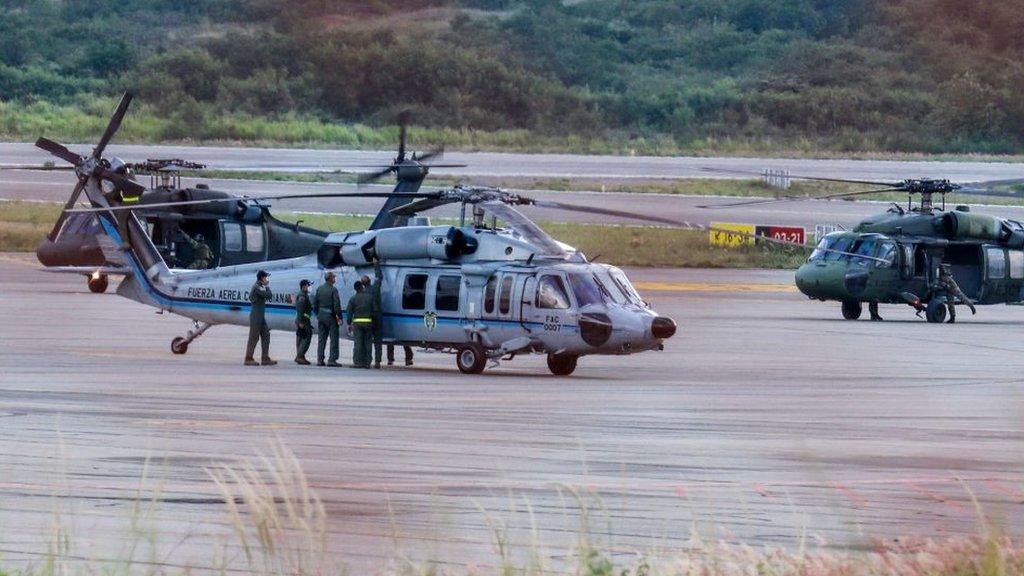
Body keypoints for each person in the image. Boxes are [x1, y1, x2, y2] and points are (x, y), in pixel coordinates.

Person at [244, 270, 276, 366]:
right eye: (266, 277)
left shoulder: (260, 287)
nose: (267, 279)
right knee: (254, 337)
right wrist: (267, 286)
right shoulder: (257, 287)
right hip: (256, 316)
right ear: (262, 278)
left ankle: (265, 358)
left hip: (260, 316)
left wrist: (265, 287)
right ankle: (248, 358)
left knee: (266, 335)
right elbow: (269, 295)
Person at [313, 271, 342, 366]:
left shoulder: (319, 289)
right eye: (333, 277)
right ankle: (332, 359)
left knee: (322, 338)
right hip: (330, 317)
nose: (335, 279)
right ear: (330, 279)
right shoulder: (334, 290)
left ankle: (320, 359)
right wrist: (339, 317)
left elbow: (315, 303)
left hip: (321, 315)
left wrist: (318, 313)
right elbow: (336, 305)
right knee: (334, 338)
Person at [346, 280, 375, 369]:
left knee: (358, 343)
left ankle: (358, 363)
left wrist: (349, 323)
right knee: (368, 343)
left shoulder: (353, 298)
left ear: (355, 289)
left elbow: (349, 312)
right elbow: (375, 310)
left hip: (357, 324)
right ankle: (367, 363)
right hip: (368, 323)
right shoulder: (370, 298)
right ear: (362, 287)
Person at [361, 268, 384, 369]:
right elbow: (379, 277)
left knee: (368, 340)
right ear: (370, 281)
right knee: (378, 341)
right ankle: (378, 361)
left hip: (368, 317)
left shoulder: (363, 293)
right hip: (378, 316)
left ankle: (367, 361)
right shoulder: (376, 288)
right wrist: (376, 264)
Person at [294, 279, 313, 365]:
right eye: (308, 286)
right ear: (304, 286)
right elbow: (300, 309)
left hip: (302, 320)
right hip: (303, 321)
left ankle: (300, 356)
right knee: (306, 337)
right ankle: (300, 356)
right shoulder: (302, 296)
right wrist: (301, 322)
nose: (309, 287)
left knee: (301, 337)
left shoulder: (304, 295)